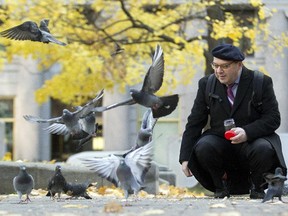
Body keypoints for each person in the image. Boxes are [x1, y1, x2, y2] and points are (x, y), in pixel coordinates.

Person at [179, 44, 287, 199]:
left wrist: (247, 132)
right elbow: (195, 122)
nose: (218, 71)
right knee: (203, 146)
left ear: (239, 65)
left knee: (264, 148)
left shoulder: (261, 82)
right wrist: (184, 157)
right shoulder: (207, 84)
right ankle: (220, 188)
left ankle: (257, 188)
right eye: (215, 65)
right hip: (220, 143)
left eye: (225, 66)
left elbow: (273, 118)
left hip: (253, 142)